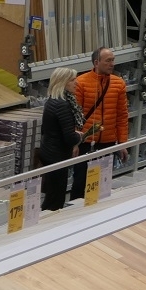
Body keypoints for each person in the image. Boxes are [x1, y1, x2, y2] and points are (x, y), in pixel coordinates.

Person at [71, 47, 130, 201]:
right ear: (96, 63)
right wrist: (75, 143)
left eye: (113, 60)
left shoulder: (118, 84)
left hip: (108, 142)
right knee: (80, 181)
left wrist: (122, 143)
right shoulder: (81, 82)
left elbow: (122, 116)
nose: (112, 64)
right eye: (108, 61)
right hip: (85, 141)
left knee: (103, 183)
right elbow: (76, 116)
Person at [38, 68, 98, 211]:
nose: (76, 83)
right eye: (72, 80)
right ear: (63, 82)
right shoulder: (63, 105)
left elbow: (46, 129)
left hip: (49, 151)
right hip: (57, 156)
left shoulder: (52, 101)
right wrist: (80, 135)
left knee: (52, 193)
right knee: (56, 197)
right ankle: (50, 219)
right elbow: (70, 138)